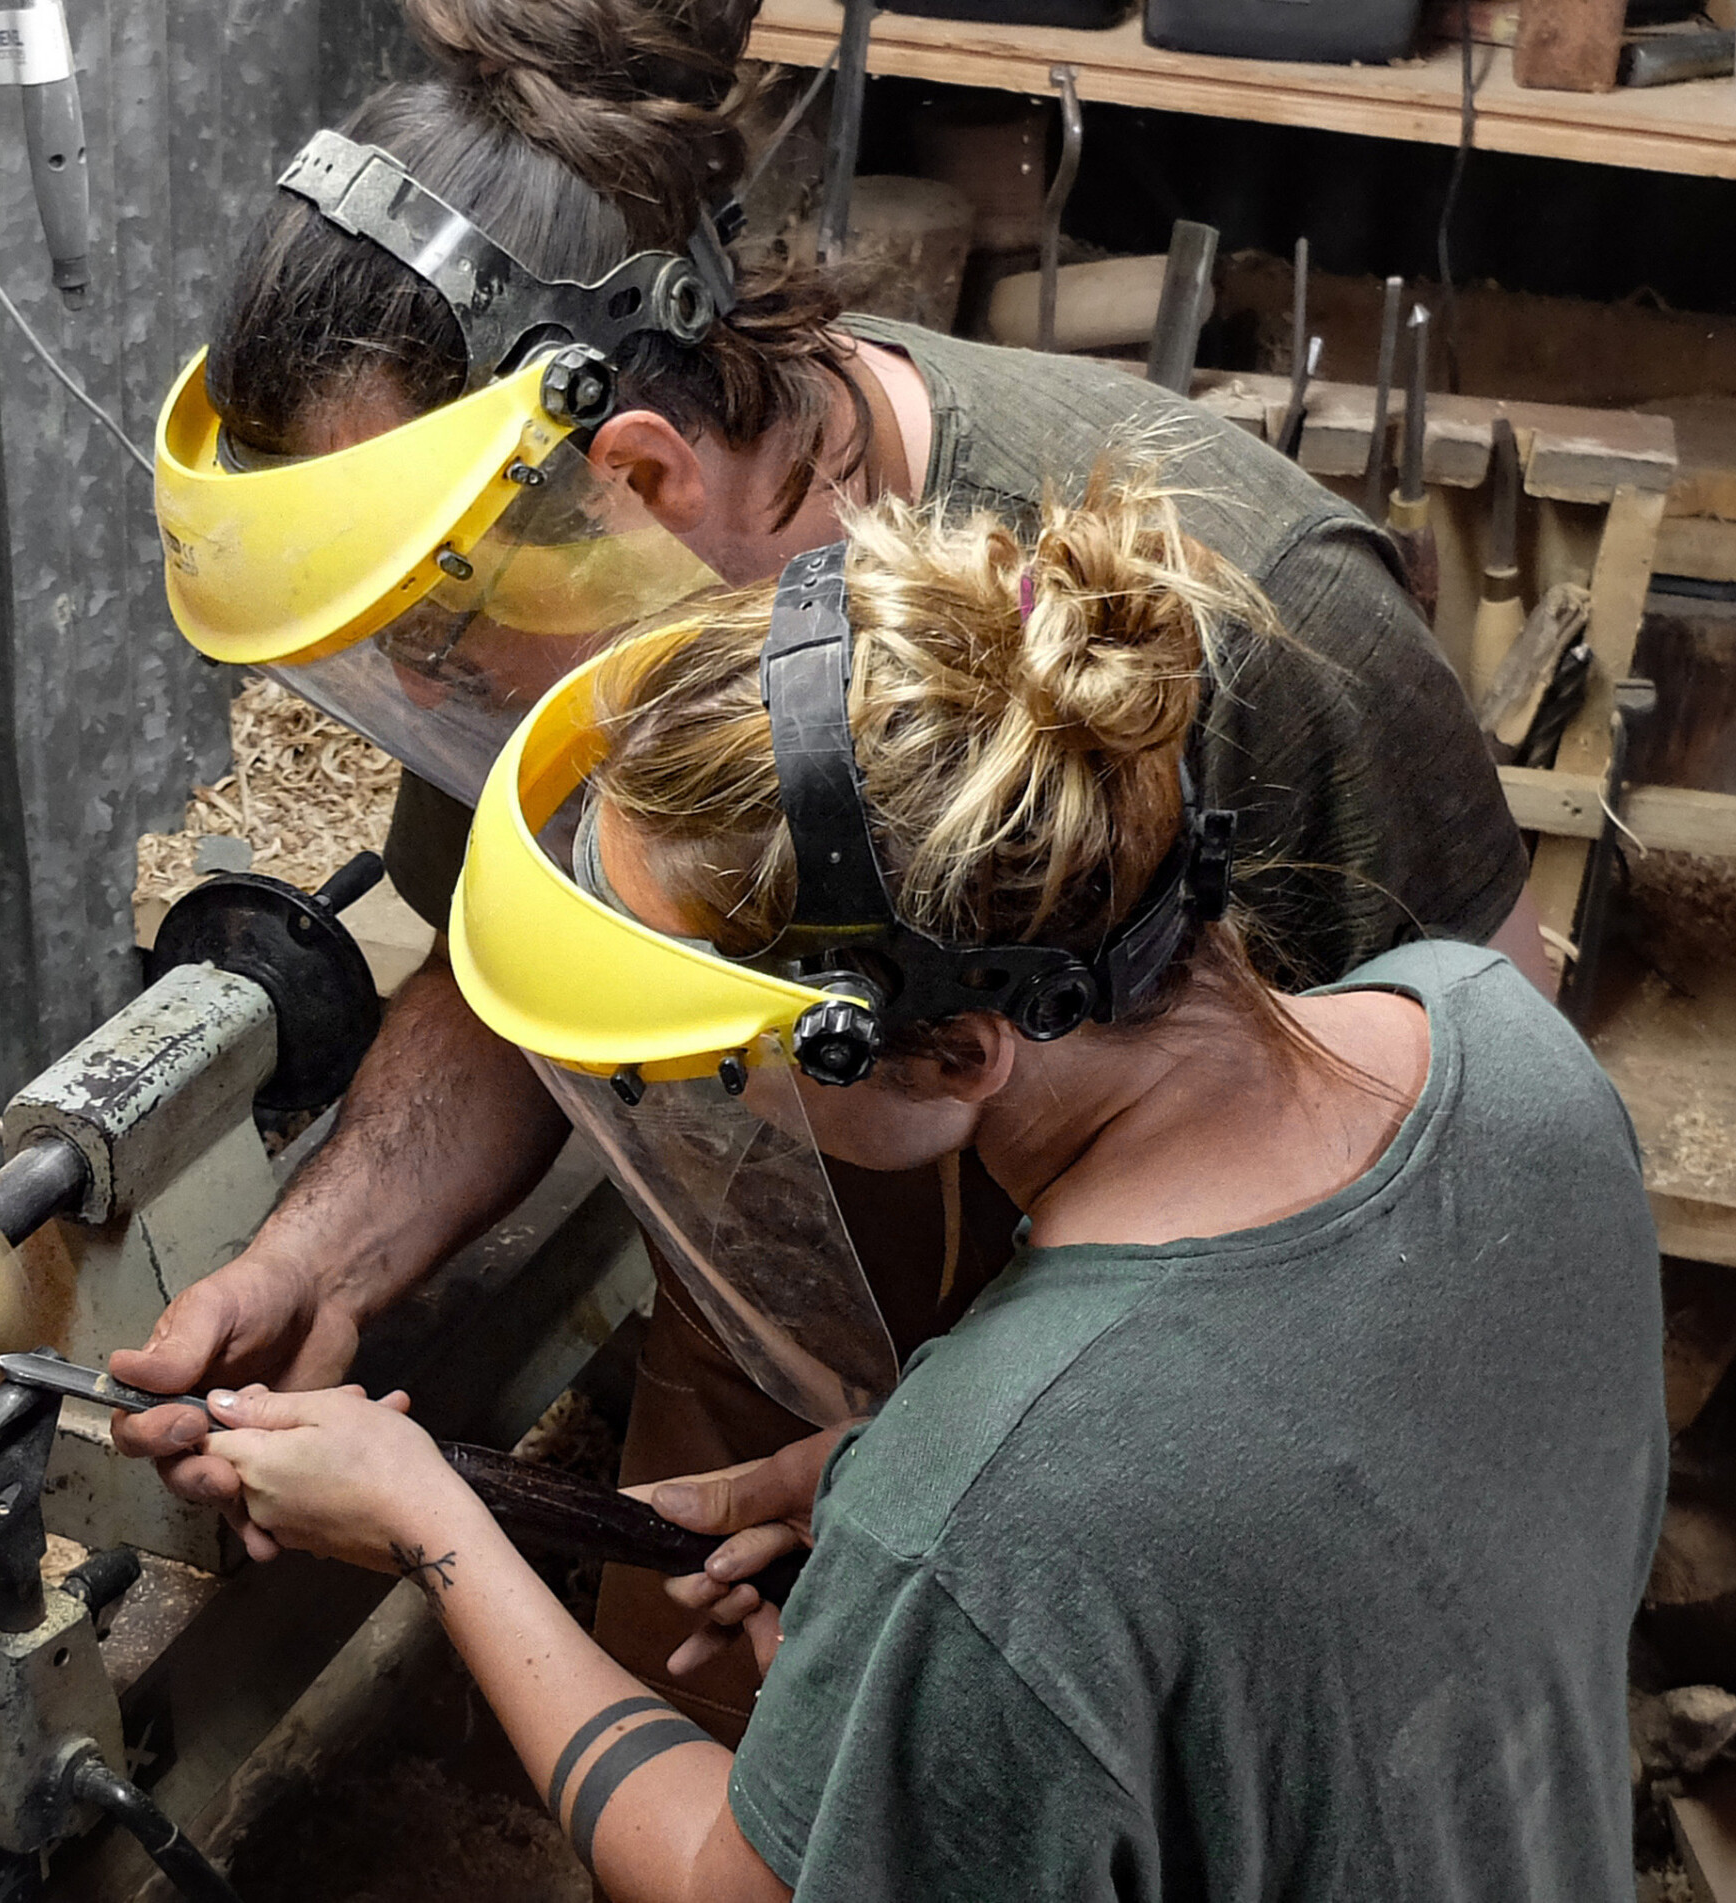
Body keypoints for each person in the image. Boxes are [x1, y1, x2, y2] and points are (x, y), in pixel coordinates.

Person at [125, 0, 1544, 1728]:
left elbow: (1459, 1233)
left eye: (427, 643)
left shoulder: (1276, 632)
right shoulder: (579, 604)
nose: (416, 700)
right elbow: (522, 965)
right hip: (771, 1365)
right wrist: (321, 1260)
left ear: (632, 473)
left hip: (1146, 1496)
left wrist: (982, 1526)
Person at [190, 477, 1665, 1902]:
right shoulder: (1494, 1038)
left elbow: (727, 1886)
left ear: (959, 1051)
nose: (731, 1105)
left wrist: (431, 1527)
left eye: (730, 1060)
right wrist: (891, 1506)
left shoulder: (1004, 1514)